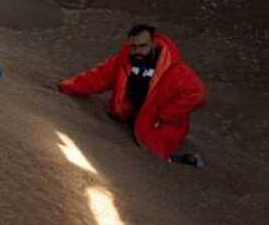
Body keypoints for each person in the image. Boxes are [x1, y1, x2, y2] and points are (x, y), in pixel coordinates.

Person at [57, 24, 207, 166]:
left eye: (143, 46)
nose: (138, 51)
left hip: (162, 126)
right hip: (131, 118)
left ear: (153, 43)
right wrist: (68, 87)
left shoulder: (175, 70)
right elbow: (99, 77)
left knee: (153, 155)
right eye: (134, 47)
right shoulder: (124, 60)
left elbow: (198, 94)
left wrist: (165, 115)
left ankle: (185, 160)